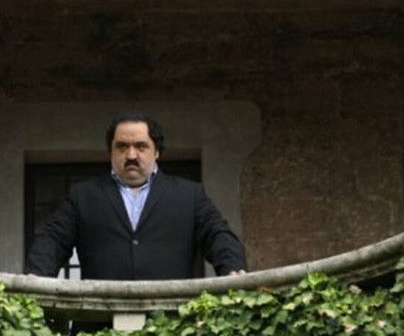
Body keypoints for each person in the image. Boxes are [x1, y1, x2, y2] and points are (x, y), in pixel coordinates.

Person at [27, 111, 247, 280]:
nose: (131, 155)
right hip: (99, 322)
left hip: (172, 322)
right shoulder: (82, 196)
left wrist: (233, 269)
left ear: (157, 151)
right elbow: (53, 240)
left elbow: (218, 235)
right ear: (111, 152)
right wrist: (36, 275)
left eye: (141, 146)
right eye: (122, 147)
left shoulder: (189, 195)